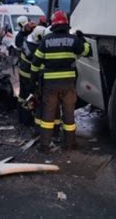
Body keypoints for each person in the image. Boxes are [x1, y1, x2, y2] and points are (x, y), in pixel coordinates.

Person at [30, 10, 92, 152]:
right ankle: (70, 144)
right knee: (69, 115)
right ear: (66, 24)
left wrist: (32, 81)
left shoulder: (46, 40)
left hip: (50, 85)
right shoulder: (73, 40)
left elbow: (35, 63)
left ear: (53, 25)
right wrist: (82, 39)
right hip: (68, 84)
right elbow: (87, 51)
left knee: (48, 115)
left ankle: (45, 145)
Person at [18, 25, 46, 126]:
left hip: (22, 72)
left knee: (22, 96)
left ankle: (21, 118)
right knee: (30, 97)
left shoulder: (27, 40)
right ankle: (27, 121)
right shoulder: (33, 47)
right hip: (29, 75)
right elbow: (38, 63)